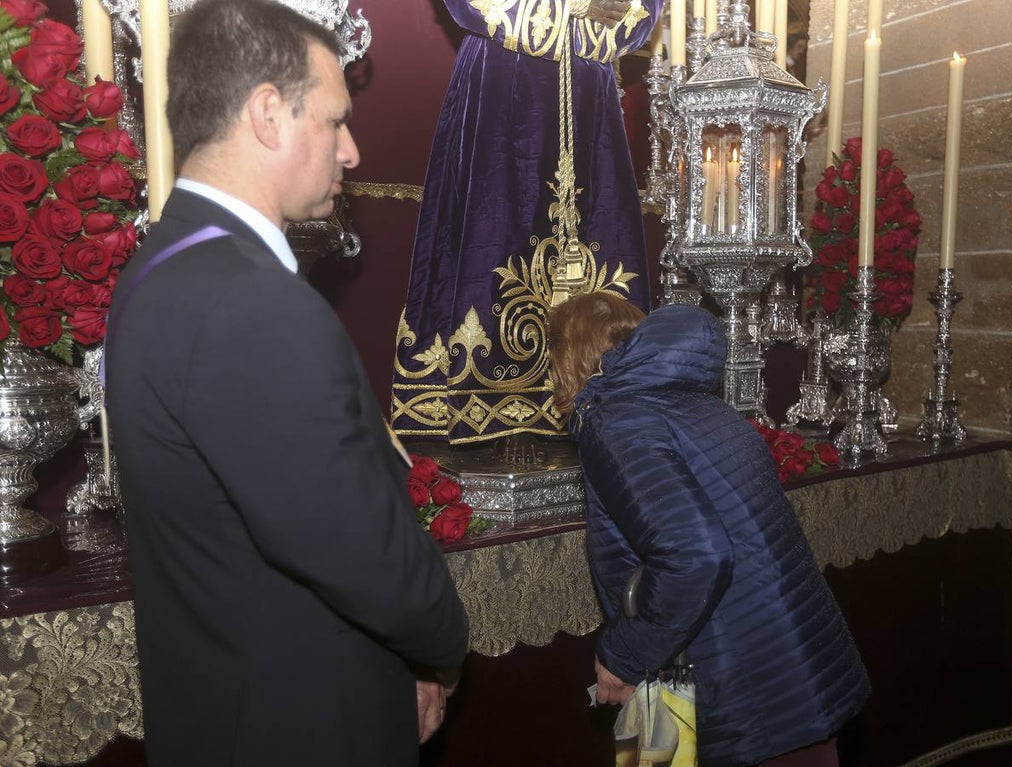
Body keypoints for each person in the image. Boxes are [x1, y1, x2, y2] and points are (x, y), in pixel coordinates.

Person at [105, 2, 468, 765]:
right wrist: (440, 641)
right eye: (335, 122)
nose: (352, 151)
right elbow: (357, 547)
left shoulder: (160, 268)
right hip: (300, 724)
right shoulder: (249, 302)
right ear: (268, 112)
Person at [548, 293, 871, 766]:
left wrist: (625, 654)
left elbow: (697, 555)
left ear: (568, 355)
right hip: (791, 672)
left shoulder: (616, 419)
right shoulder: (700, 407)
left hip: (743, 689)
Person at [391, 0, 663, 445]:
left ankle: (603, 397)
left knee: (593, 226)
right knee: (494, 229)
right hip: (505, 78)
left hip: (587, 85)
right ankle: (488, 403)